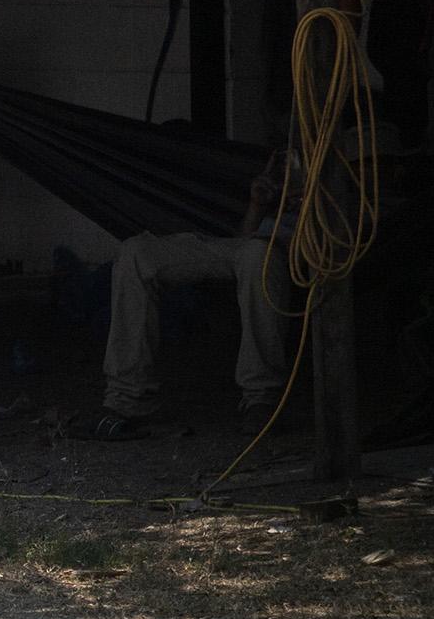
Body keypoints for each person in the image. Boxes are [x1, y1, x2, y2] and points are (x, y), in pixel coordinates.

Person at [94, 155, 299, 440]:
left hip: (286, 252)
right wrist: (258, 205)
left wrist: (310, 205)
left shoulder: (353, 192)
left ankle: (261, 398)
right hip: (244, 248)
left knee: (260, 256)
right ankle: (129, 400)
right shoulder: (283, 186)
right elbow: (245, 240)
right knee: (136, 253)